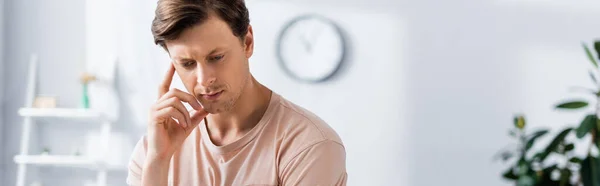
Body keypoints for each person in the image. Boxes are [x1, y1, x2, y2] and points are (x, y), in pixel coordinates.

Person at [126, 0, 347, 185]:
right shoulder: (154, 149)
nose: (204, 80)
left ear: (247, 42)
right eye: (187, 63)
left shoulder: (310, 146)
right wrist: (158, 161)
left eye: (216, 57)